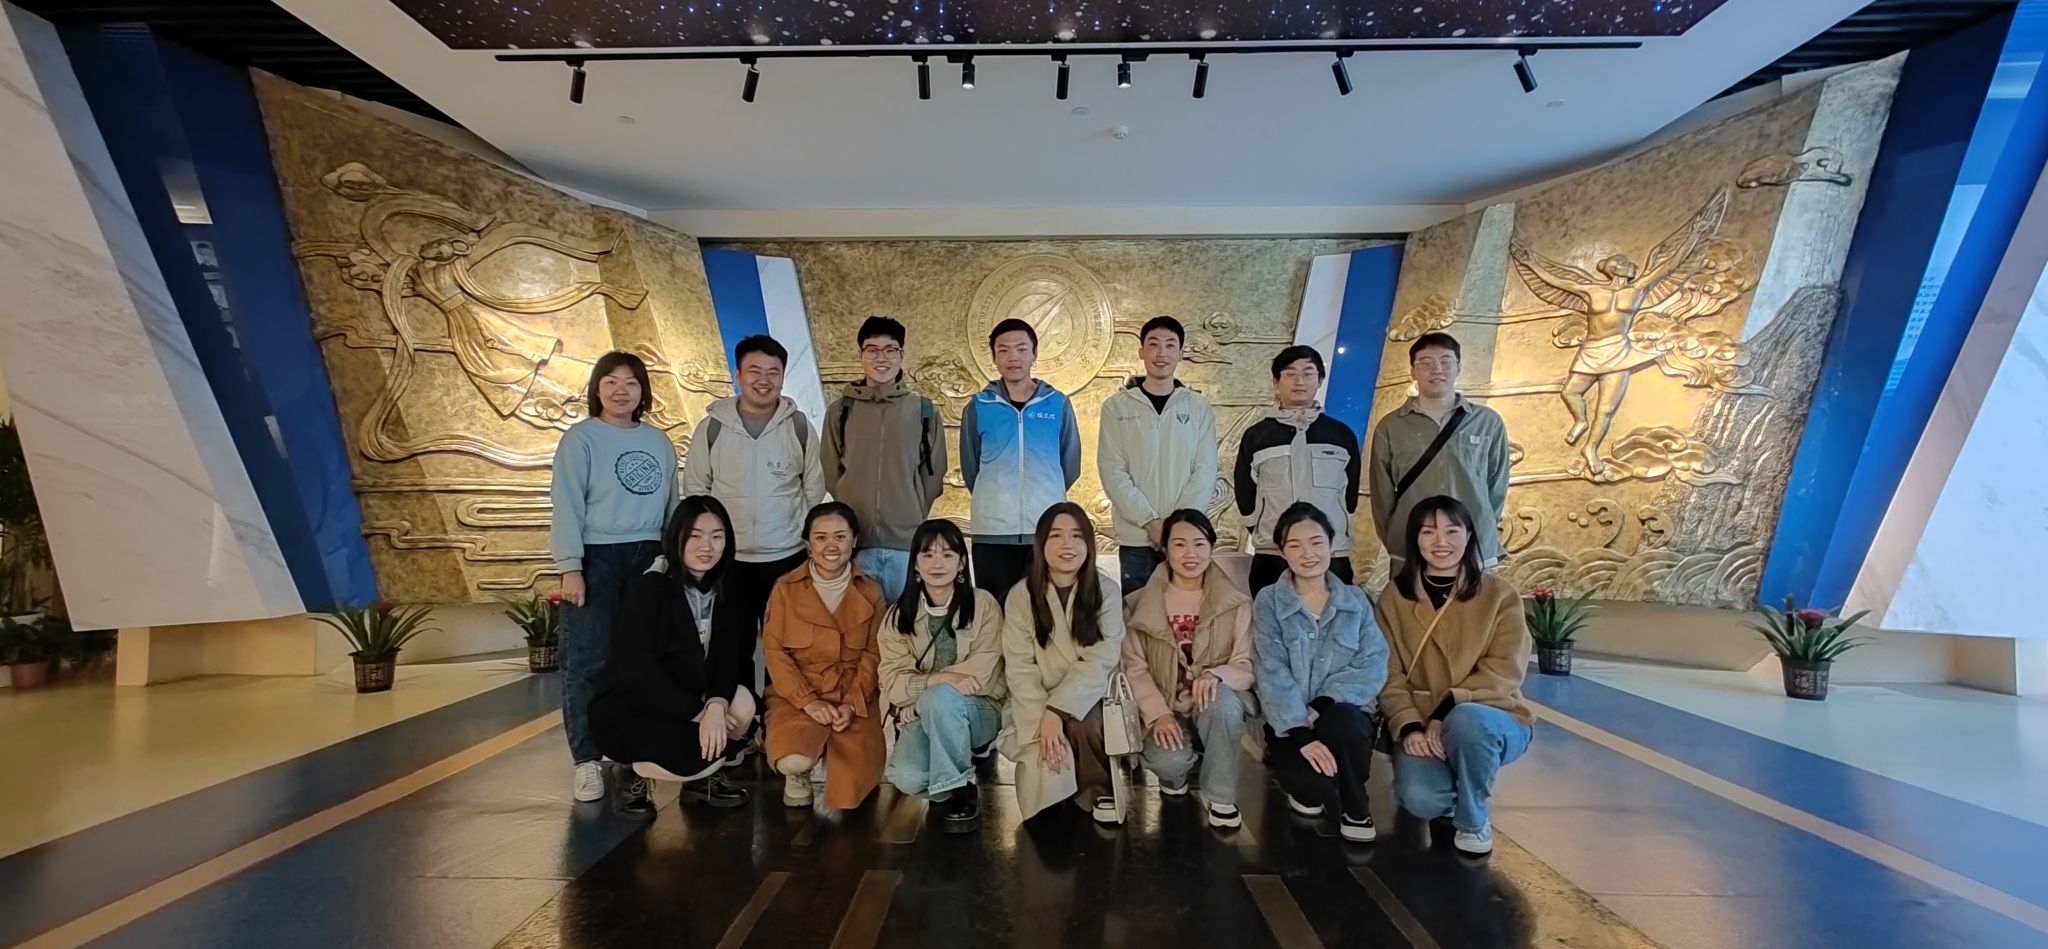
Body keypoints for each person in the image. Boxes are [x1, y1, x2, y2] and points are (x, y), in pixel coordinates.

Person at [550, 352, 677, 803]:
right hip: (595, 557)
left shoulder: (659, 441)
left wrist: (670, 561)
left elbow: (671, 505)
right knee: (588, 660)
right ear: (597, 389)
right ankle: (586, 759)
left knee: (641, 658)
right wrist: (571, 568)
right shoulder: (581, 439)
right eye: (611, 382)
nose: (621, 391)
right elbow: (566, 504)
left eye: (631, 382)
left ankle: (631, 750)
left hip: (648, 554)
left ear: (643, 391)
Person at [1377, 495, 1534, 856]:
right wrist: (1409, 725)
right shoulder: (1394, 597)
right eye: (1428, 531)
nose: (1441, 541)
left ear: (1469, 536)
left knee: (1467, 721)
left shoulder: (1500, 596)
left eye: (1452, 530)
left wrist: (1446, 710)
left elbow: (1505, 670)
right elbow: (1387, 671)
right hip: (1419, 722)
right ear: (1415, 539)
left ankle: (1473, 818)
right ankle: (1457, 783)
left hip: (1491, 716)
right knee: (1421, 798)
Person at [590, 495, 756, 815]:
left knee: (740, 706)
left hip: (692, 698)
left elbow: (728, 658)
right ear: (676, 537)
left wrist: (717, 704)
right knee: (698, 748)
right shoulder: (650, 587)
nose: (706, 546)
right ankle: (631, 772)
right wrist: (699, 712)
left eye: (717, 536)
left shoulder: (727, 587)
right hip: (636, 706)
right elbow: (637, 669)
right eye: (695, 536)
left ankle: (699, 783)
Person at [1253, 502, 1389, 844]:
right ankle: (1313, 785)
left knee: (1343, 719)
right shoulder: (1269, 601)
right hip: (1291, 724)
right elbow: (1271, 670)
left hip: (1345, 718)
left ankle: (1355, 804)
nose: (1308, 553)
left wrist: (1327, 701)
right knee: (1312, 788)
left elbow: (1373, 662)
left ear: (1332, 544)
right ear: (1282, 551)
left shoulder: (1356, 600)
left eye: (1316, 542)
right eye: (1295, 545)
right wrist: (1301, 731)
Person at [682, 334, 827, 651]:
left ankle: (779, 689)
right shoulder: (712, 427)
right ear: (738, 375)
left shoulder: (799, 426)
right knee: (731, 647)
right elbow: (695, 490)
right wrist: (710, 541)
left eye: (773, 372)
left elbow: (814, 486)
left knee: (787, 647)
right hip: (728, 559)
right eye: (754, 370)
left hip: (787, 556)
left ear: (783, 377)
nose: (764, 380)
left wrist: (799, 531)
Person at [1119, 509, 1254, 829]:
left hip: (1211, 707)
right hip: (1166, 707)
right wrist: (1158, 715)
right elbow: (1134, 667)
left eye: (1199, 544)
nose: (1190, 553)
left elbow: (1246, 665)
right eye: (1179, 544)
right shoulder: (1139, 605)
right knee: (1169, 761)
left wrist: (1216, 674)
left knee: (1223, 702)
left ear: (1211, 547)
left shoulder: (1235, 603)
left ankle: (1220, 795)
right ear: (1164, 549)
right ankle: (1175, 773)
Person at [879, 519, 1007, 833]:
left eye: (948, 555)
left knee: (940, 699)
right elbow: (892, 681)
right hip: (927, 711)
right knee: (906, 777)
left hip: (981, 709)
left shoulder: (984, 605)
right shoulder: (898, 616)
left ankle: (961, 787)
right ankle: (948, 778)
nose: (938, 563)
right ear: (915, 564)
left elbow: (984, 672)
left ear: (962, 562)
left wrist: (922, 695)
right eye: (928, 555)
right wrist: (934, 685)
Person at [1002, 503, 1127, 825]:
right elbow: (1019, 666)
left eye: (1077, 535)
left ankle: (1098, 788)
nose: (1067, 544)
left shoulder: (1106, 592)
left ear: (1089, 544)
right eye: (1056, 535)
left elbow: (1102, 659)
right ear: (1041, 544)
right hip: (1036, 698)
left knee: (1084, 721)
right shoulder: (1021, 596)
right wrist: (1043, 713)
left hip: (1089, 695)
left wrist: (1057, 710)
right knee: (1044, 805)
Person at [762, 502, 886, 810]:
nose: (831, 546)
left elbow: (874, 653)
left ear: (854, 540)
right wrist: (808, 701)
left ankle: (838, 760)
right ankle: (800, 774)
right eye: (821, 538)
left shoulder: (871, 591)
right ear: (808, 543)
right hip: (799, 694)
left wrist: (852, 704)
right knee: (792, 759)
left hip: (853, 695)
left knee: (852, 793)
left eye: (840, 537)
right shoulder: (785, 589)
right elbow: (775, 653)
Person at [824, 316, 947, 602]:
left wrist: (912, 510)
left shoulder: (923, 411)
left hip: (905, 544)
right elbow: (830, 470)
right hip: (856, 542)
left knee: (904, 623)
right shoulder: (840, 411)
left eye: (890, 350)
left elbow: (933, 473)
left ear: (901, 354)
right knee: (856, 625)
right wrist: (849, 505)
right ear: (860, 354)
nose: (882, 358)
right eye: (873, 350)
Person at [961, 318, 1082, 599]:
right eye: (1003, 350)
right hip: (992, 532)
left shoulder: (1058, 404)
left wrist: (1044, 493)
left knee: (1044, 611)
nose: (1012, 357)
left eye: (1021, 349)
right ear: (993, 357)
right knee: (994, 610)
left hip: (1045, 530)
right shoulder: (979, 406)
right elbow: (971, 467)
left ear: (1034, 353)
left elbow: (1069, 465)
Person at [1097, 316, 1220, 593]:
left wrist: (1177, 526)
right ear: (1141, 352)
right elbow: (1112, 469)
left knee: (1185, 613)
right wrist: (1150, 522)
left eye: (1170, 345)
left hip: (1186, 538)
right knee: (1138, 613)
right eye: (1153, 344)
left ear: (1180, 352)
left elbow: (1205, 469)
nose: (1161, 353)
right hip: (1137, 537)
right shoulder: (1116, 407)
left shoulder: (1198, 407)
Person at [1368, 333, 1511, 569]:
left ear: (1459, 367)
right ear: (1413, 371)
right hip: (1411, 548)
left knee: (1474, 595)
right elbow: (1382, 494)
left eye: (1446, 361)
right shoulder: (1390, 426)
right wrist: (1397, 539)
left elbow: (1497, 486)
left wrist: (1479, 525)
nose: (1437, 370)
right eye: (1425, 363)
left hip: (1473, 547)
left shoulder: (1487, 422)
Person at [1235, 345, 1362, 597]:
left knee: (1334, 616)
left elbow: (1351, 491)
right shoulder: (1257, 435)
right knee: (1270, 616)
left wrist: (1337, 527)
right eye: (1290, 374)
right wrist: (1261, 529)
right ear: (1276, 381)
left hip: (1331, 552)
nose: (1299, 381)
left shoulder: (1340, 434)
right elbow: (1244, 490)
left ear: (1320, 380)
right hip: (1273, 552)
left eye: (1308, 373)